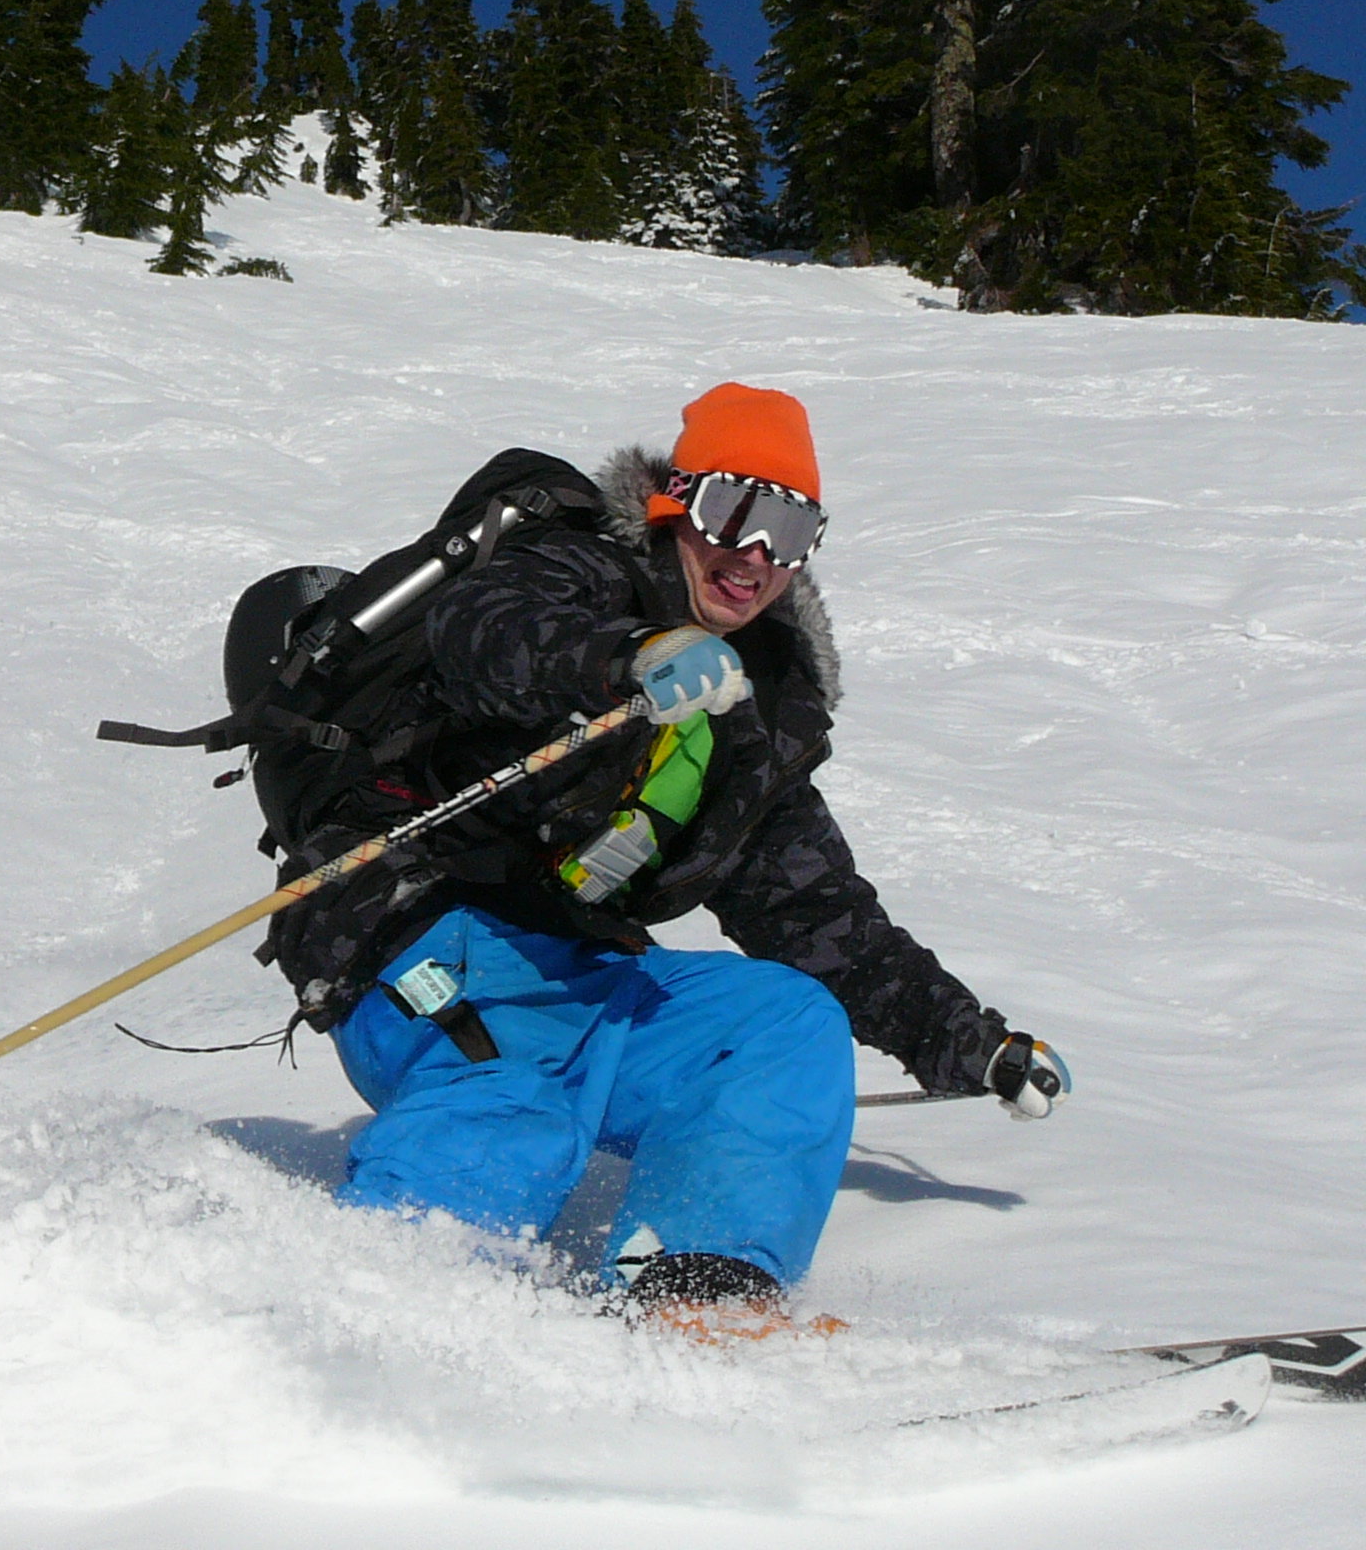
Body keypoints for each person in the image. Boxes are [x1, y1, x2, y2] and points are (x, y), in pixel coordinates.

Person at [261, 383, 1066, 1330]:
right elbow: (484, 632)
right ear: (673, 504)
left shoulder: (757, 711)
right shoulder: (575, 575)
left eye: (790, 528)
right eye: (734, 512)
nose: (755, 556)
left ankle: (692, 1296)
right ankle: (378, 1316)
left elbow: (818, 914)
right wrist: (628, 656)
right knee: (517, 1094)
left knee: (784, 1022)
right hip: (415, 935)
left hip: (584, 972)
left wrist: (965, 1039)